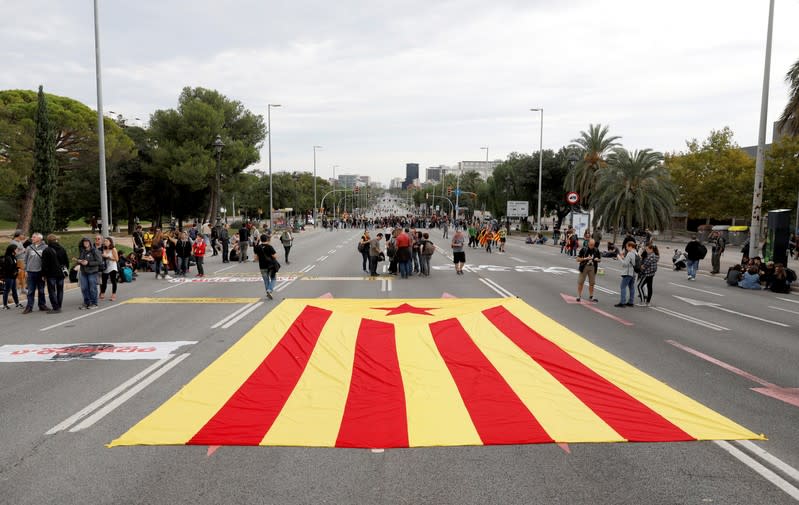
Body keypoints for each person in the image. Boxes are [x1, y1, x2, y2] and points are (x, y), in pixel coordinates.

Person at [41, 234, 69, 313]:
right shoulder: (62, 249)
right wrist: (65, 270)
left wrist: (43, 274)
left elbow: (44, 264)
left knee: (52, 291)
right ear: (56, 240)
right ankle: (59, 306)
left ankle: (55, 307)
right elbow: (66, 262)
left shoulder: (47, 250)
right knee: (60, 290)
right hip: (61, 274)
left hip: (51, 274)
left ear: (48, 241)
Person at [22, 232, 48, 314]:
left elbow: (47, 261)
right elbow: (25, 260)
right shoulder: (29, 247)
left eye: (34, 237)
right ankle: (29, 307)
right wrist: (26, 270)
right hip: (30, 272)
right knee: (30, 291)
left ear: (39, 239)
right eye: (32, 237)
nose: (32, 238)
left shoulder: (45, 247)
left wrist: (45, 273)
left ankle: (42, 305)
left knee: (41, 290)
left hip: (40, 272)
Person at [75, 237, 102, 309]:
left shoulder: (95, 251)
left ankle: (94, 303)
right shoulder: (82, 251)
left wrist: (88, 263)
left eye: (87, 242)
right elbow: (81, 260)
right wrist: (78, 261)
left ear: (90, 243)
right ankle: (86, 303)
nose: (86, 243)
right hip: (83, 272)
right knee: (84, 288)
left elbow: (99, 261)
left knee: (92, 288)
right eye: (84, 242)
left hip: (92, 272)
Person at [575, 238, 601, 303]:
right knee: (581, 282)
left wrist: (597, 259)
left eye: (593, 245)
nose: (592, 246)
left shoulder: (596, 250)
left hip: (592, 267)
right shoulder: (584, 249)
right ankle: (578, 295)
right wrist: (585, 258)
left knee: (592, 283)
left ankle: (591, 296)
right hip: (584, 266)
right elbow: (577, 259)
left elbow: (600, 259)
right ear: (588, 243)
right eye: (591, 244)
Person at [253, 234, 278, 299]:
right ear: (267, 239)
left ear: (260, 240)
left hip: (262, 266)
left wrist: (260, 257)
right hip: (271, 266)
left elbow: (255, 259)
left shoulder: (257, 247)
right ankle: (269, 290)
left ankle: (268, 293)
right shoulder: (269, 247)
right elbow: (275, 256)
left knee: (266, 280)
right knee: (273, 278)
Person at [614, 241, 637, 308]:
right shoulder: (636, 253)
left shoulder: (630, 253)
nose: (626, 248)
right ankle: (631, 302)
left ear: (630, 246)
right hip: (633, 273)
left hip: (628, 273)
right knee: (631, 287)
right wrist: (624, 258)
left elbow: (625, 264)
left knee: (623, 287)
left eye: (627, 246)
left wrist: (619, 258)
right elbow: (631, 262)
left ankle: (622, 302)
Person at [2, 244, 22, 309]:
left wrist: (18, 268)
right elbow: (8, 268)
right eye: (16, 249)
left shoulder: (13, 257)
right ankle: (5, 305)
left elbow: (14, 266)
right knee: (6, 290)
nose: (17, 250)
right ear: (12, 250)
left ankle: (17, 303)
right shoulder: (8, 257)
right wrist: (16, 269)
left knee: (14, 290)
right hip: (8, 276)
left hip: (13, 276)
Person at [99, 237, 120, 302]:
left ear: (110, 242)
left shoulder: (113, 249)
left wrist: (108, 257)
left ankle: (113, 294)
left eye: (107, 241)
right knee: (104, 281)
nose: (105, 242)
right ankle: (102, 293)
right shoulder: (103, 249)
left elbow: (116, 259)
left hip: (112, 266)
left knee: (113, 280)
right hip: (105, 266)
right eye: (104, 241)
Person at [9, 230, 27, 295]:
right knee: (18, 276)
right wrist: (23, 250)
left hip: (22, 260)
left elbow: (20, 248)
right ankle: (17, 290)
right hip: (18, 261)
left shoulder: (19, 242)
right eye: (23, 235)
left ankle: (23, 289)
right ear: (19, 235)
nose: (24, 236)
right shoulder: (13, 243)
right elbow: (14, 254)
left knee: (23, 275)